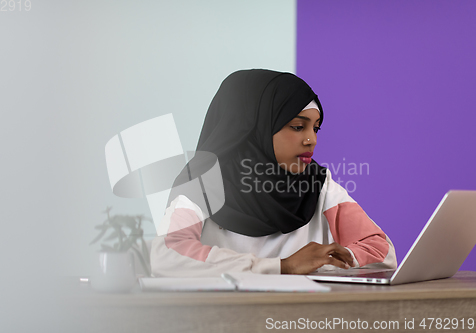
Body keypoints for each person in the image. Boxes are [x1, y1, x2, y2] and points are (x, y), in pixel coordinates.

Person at [150, 69, 397, 277]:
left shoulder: (318, 184)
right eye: (298, 127)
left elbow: (382, 253)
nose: (311, 140)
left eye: (316, 128)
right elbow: (167, 254)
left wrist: (330, 262)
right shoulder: (201, 182)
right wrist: (283, 267)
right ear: (252, 127)